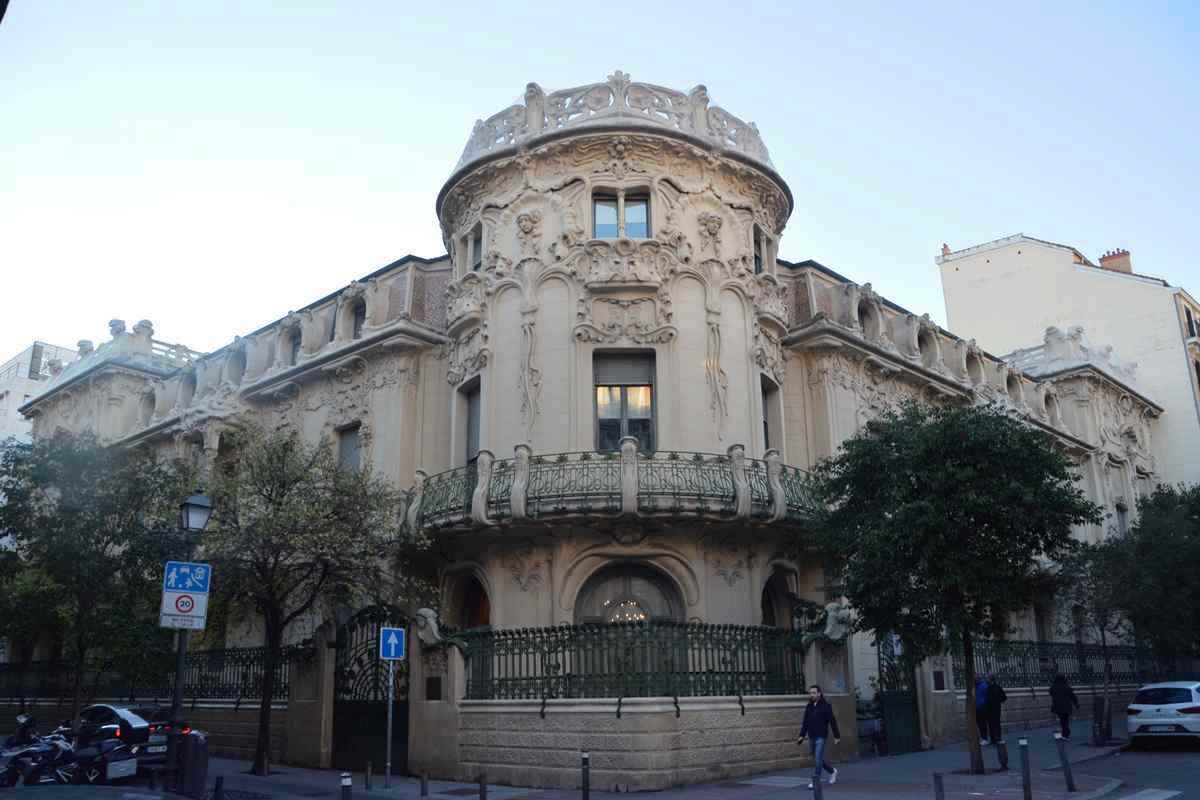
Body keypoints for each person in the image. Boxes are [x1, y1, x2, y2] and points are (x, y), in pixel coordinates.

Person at [797, 684, 840, 789]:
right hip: (812, 735)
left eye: (814, 693)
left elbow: (832, 721)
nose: (812, 695)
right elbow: (805, 722)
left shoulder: (826, 706)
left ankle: (816, 781)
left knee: (817, 759)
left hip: (821, 736)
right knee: (817, 758)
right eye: (810, 693)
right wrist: (801, 735)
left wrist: (836, 736)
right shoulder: (809, 706)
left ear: (819, 694)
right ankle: (832, 771)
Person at [1050, 674, 1079, 740]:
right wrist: (1076, 704)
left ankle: (1065, 733)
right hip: (1066, 707)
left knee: (1062, 720)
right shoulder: (1067, 687)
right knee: (1065, 720)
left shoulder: (1054, 687)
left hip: (1058, 707)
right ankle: (1065, 734)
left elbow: (1051, 693)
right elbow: (1073, 696)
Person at [984, 673, 1008, 744]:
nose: (986, 680)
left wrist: (997, 701)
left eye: (987, 678)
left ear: (990, 679)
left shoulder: (997, 687)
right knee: (991, 724)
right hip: (990, 709)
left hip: (995, 709)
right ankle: (993, 739)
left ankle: (998, 738)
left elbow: (1004, 697)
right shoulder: (988, 688)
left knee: (996, 724)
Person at [974, 675, 990, 744]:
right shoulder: (975, 686)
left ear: (978, 679)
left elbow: (987, 696)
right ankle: (982, 737)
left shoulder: (984, 686)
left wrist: (984, 704)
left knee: (982, 723)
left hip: (982, 708)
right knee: (979, 724)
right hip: (977, 708)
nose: (974, 681)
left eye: (975, 679)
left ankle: (985, 738)